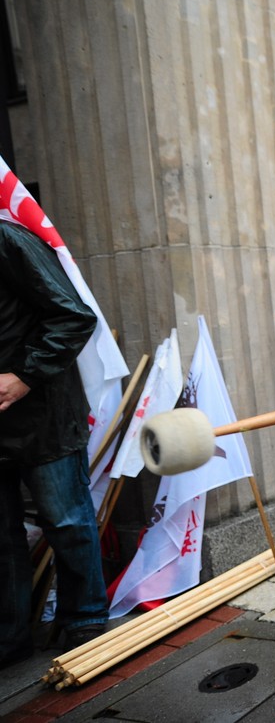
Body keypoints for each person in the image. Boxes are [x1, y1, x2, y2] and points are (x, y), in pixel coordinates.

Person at [1, 219, 108, 669]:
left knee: (66, 521)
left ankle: (85, 619)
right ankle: (11, 637)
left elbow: (74, 316)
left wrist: (24, 376)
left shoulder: (8, 239)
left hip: (43, 412)